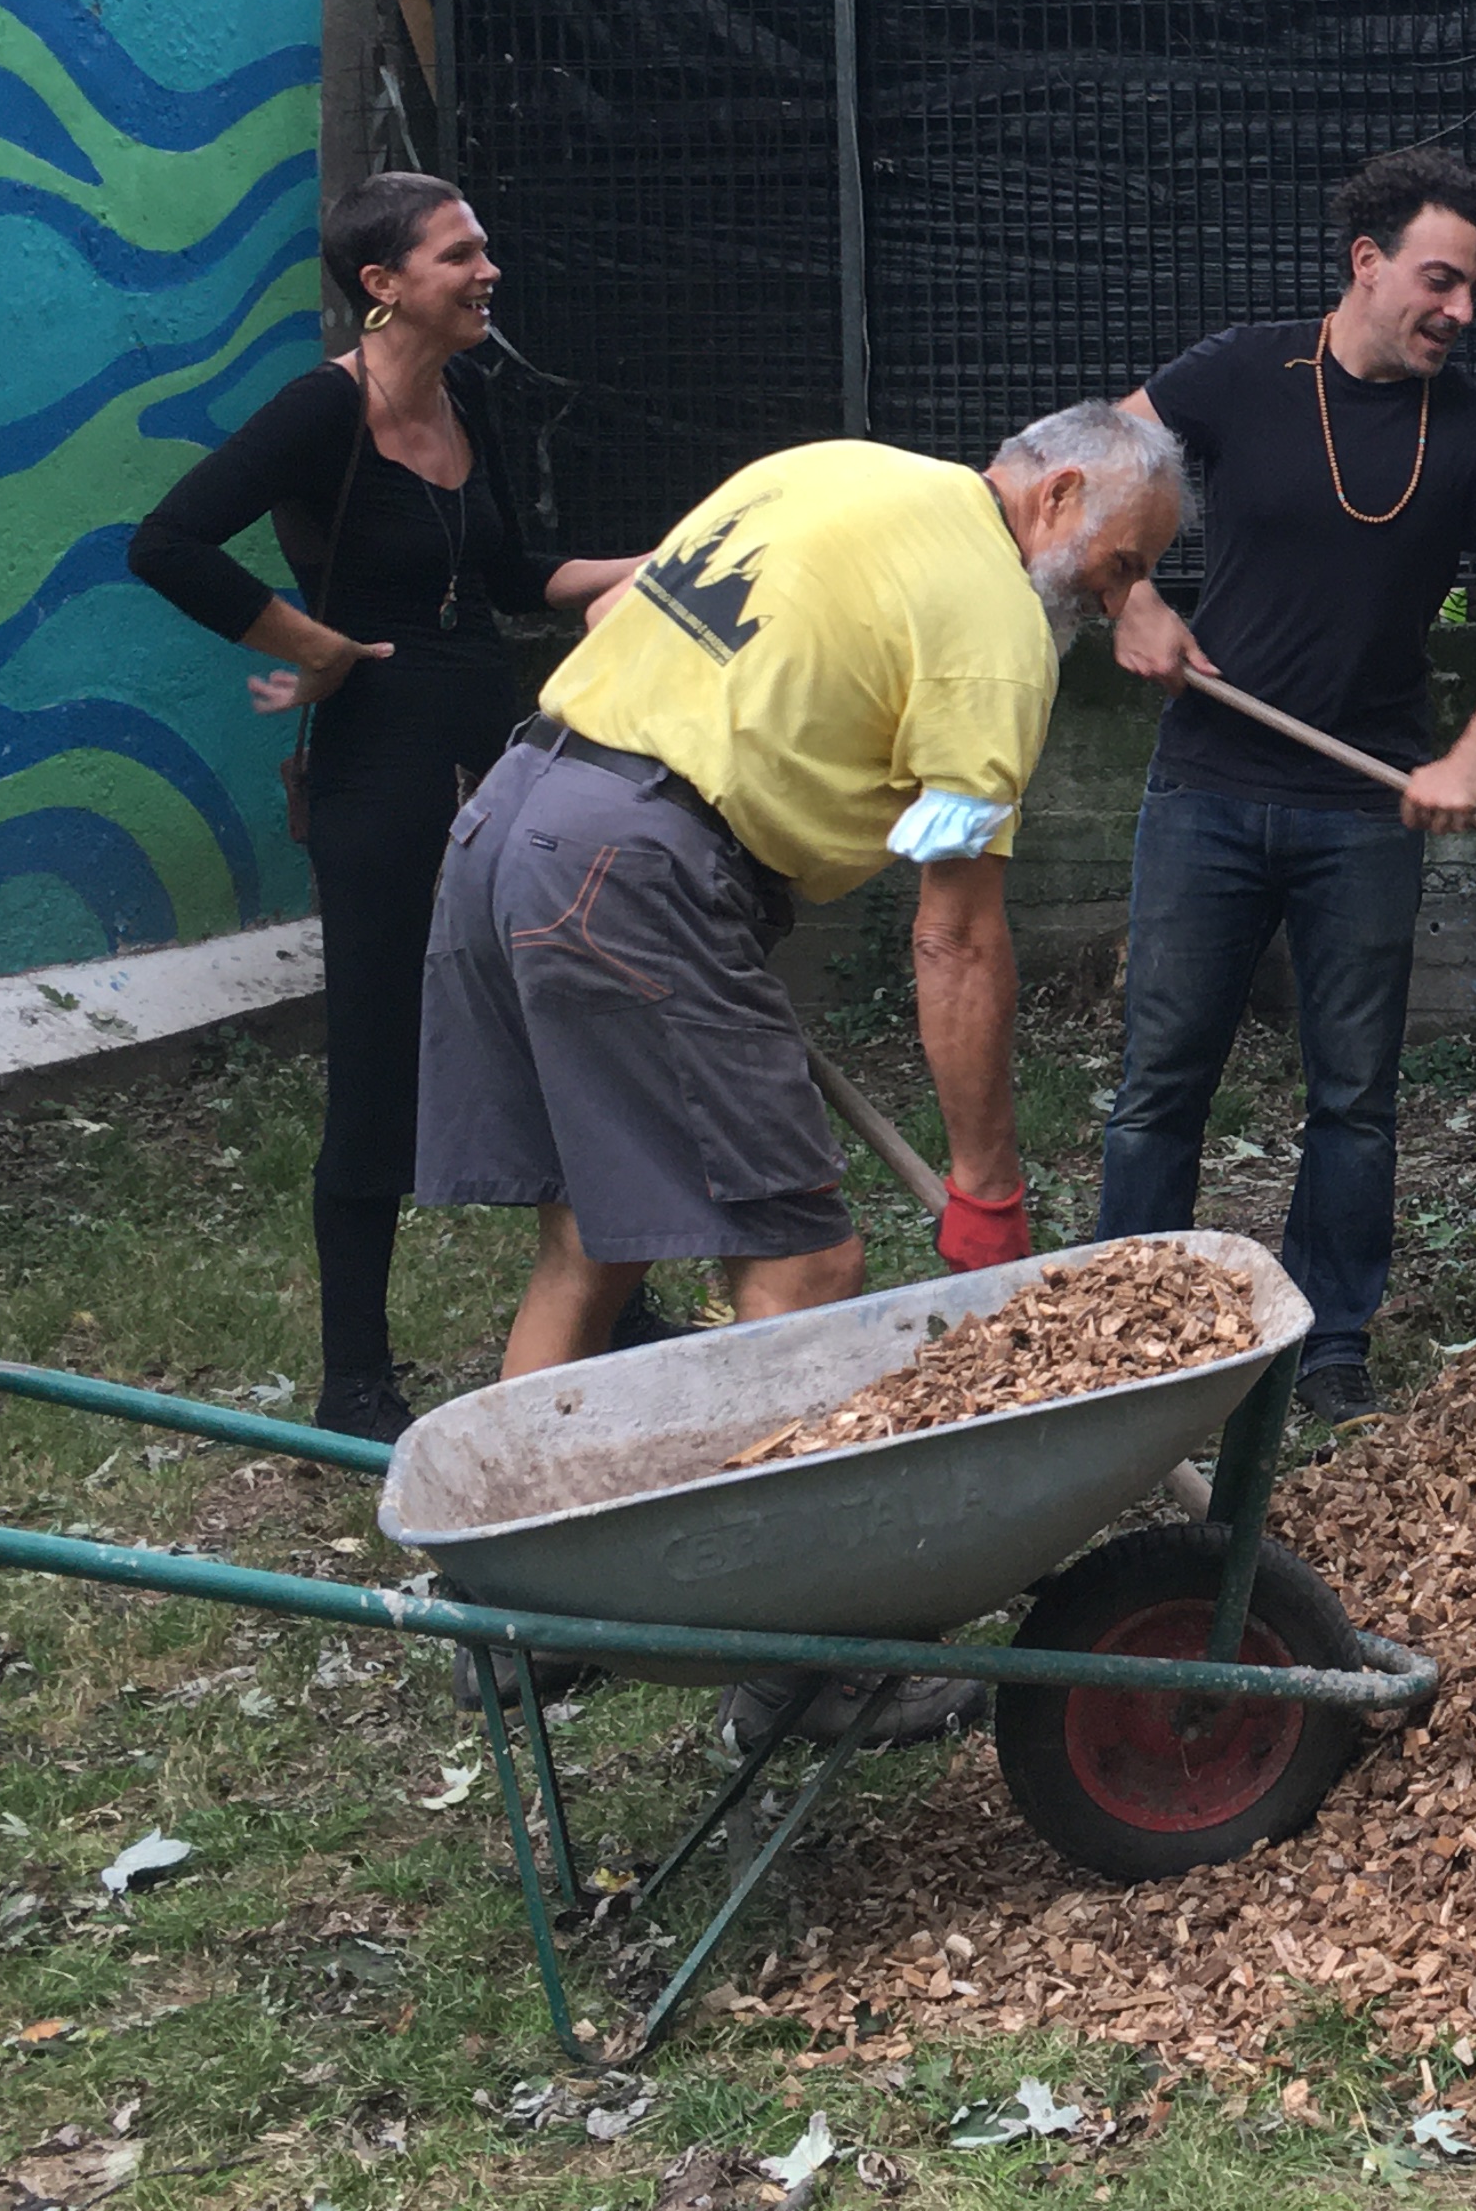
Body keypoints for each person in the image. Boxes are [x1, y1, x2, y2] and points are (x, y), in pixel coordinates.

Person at [416, 399, 1185, 1748]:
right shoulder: (996, 634)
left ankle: (513, 1617)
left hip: (513, 818)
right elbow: (955, 934)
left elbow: (622, 616)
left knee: (592, 1239)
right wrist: (987, 1186)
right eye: (1121, 564)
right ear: (1058, 494)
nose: (1116, 599)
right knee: (807, 1268)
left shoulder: (832, 472)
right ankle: (810, 1674)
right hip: (633, 870)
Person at [129, 173, 640, 1442]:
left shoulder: (468, 399)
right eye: (459, 254)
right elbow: (168, 543)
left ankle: (616, 1308)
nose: (488, 271)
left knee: (559, 1018)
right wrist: (313, 642)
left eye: (483, 248)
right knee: (375, 1058)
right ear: (382, 284)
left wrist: (659, 561)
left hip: (501, 755)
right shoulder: (322, 408)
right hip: (377, 770)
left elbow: (511, 575)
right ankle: (354, 1378)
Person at [1095, 149, 1476, 1426]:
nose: (1460, 311)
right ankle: (1122, 1340)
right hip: (1206, 789)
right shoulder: (1242, 374)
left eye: (1474, 291)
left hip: (1363, 813)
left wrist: (1469, 756)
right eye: (1441, 281)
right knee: (1161, 1083)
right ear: (1368, 263)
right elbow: (1075, 473)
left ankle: (1330, 1347)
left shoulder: (1472, 431)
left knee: (1354, 1099)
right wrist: (1127, 596)